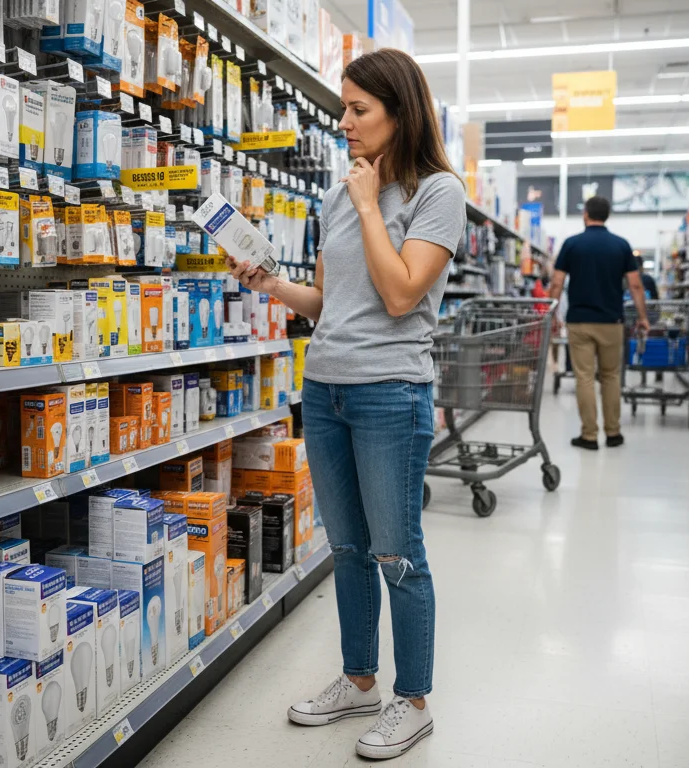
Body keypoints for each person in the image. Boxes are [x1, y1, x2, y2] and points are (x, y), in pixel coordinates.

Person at [228, 48, 464, 760]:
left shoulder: (437, 193)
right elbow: (330, 304)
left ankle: (412, 699)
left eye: (359, 110)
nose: (345, 123)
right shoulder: (336, 196)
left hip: (391, 390)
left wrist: (369, 203)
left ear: (401, 110)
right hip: (325, 387)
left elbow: (399, 294)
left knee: (398, 553)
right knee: (349, 548)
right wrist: (269, 284)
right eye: (343, 109)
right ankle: (360, 679)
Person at [548, 196, 650, 450]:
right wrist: (643, 317)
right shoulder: (621, 245)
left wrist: (551, 315)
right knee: (611, 376)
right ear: (607, 215)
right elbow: (636, 285)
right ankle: (613, 433)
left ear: (585, 214)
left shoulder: (571, 244)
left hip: (580, 322)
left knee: (583, 377)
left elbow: (557, 283)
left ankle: (589, 435)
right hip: (612, 321)